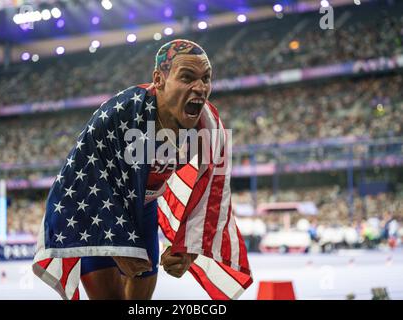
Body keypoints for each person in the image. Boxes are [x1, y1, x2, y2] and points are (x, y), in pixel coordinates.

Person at [33, 39, 252, 300]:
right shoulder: (119, 114)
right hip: (96, 209)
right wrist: (115, 246)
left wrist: (188, 248)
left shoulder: (209, 125)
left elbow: (212, 195)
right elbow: (80, 182)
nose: (201, 87)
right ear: (159, 79)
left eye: (206, 78)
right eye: (187, 77)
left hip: (144, 208)